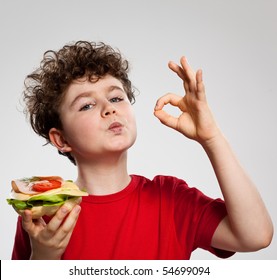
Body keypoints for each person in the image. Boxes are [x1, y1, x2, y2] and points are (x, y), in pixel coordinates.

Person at [11, 41, 273, 260]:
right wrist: (43, 259)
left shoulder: (171, 200)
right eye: (87, 105)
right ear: (60, 139)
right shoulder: (42, 215)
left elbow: (256, 236)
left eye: (115, 98)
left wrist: (212, 137)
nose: (109, 108)